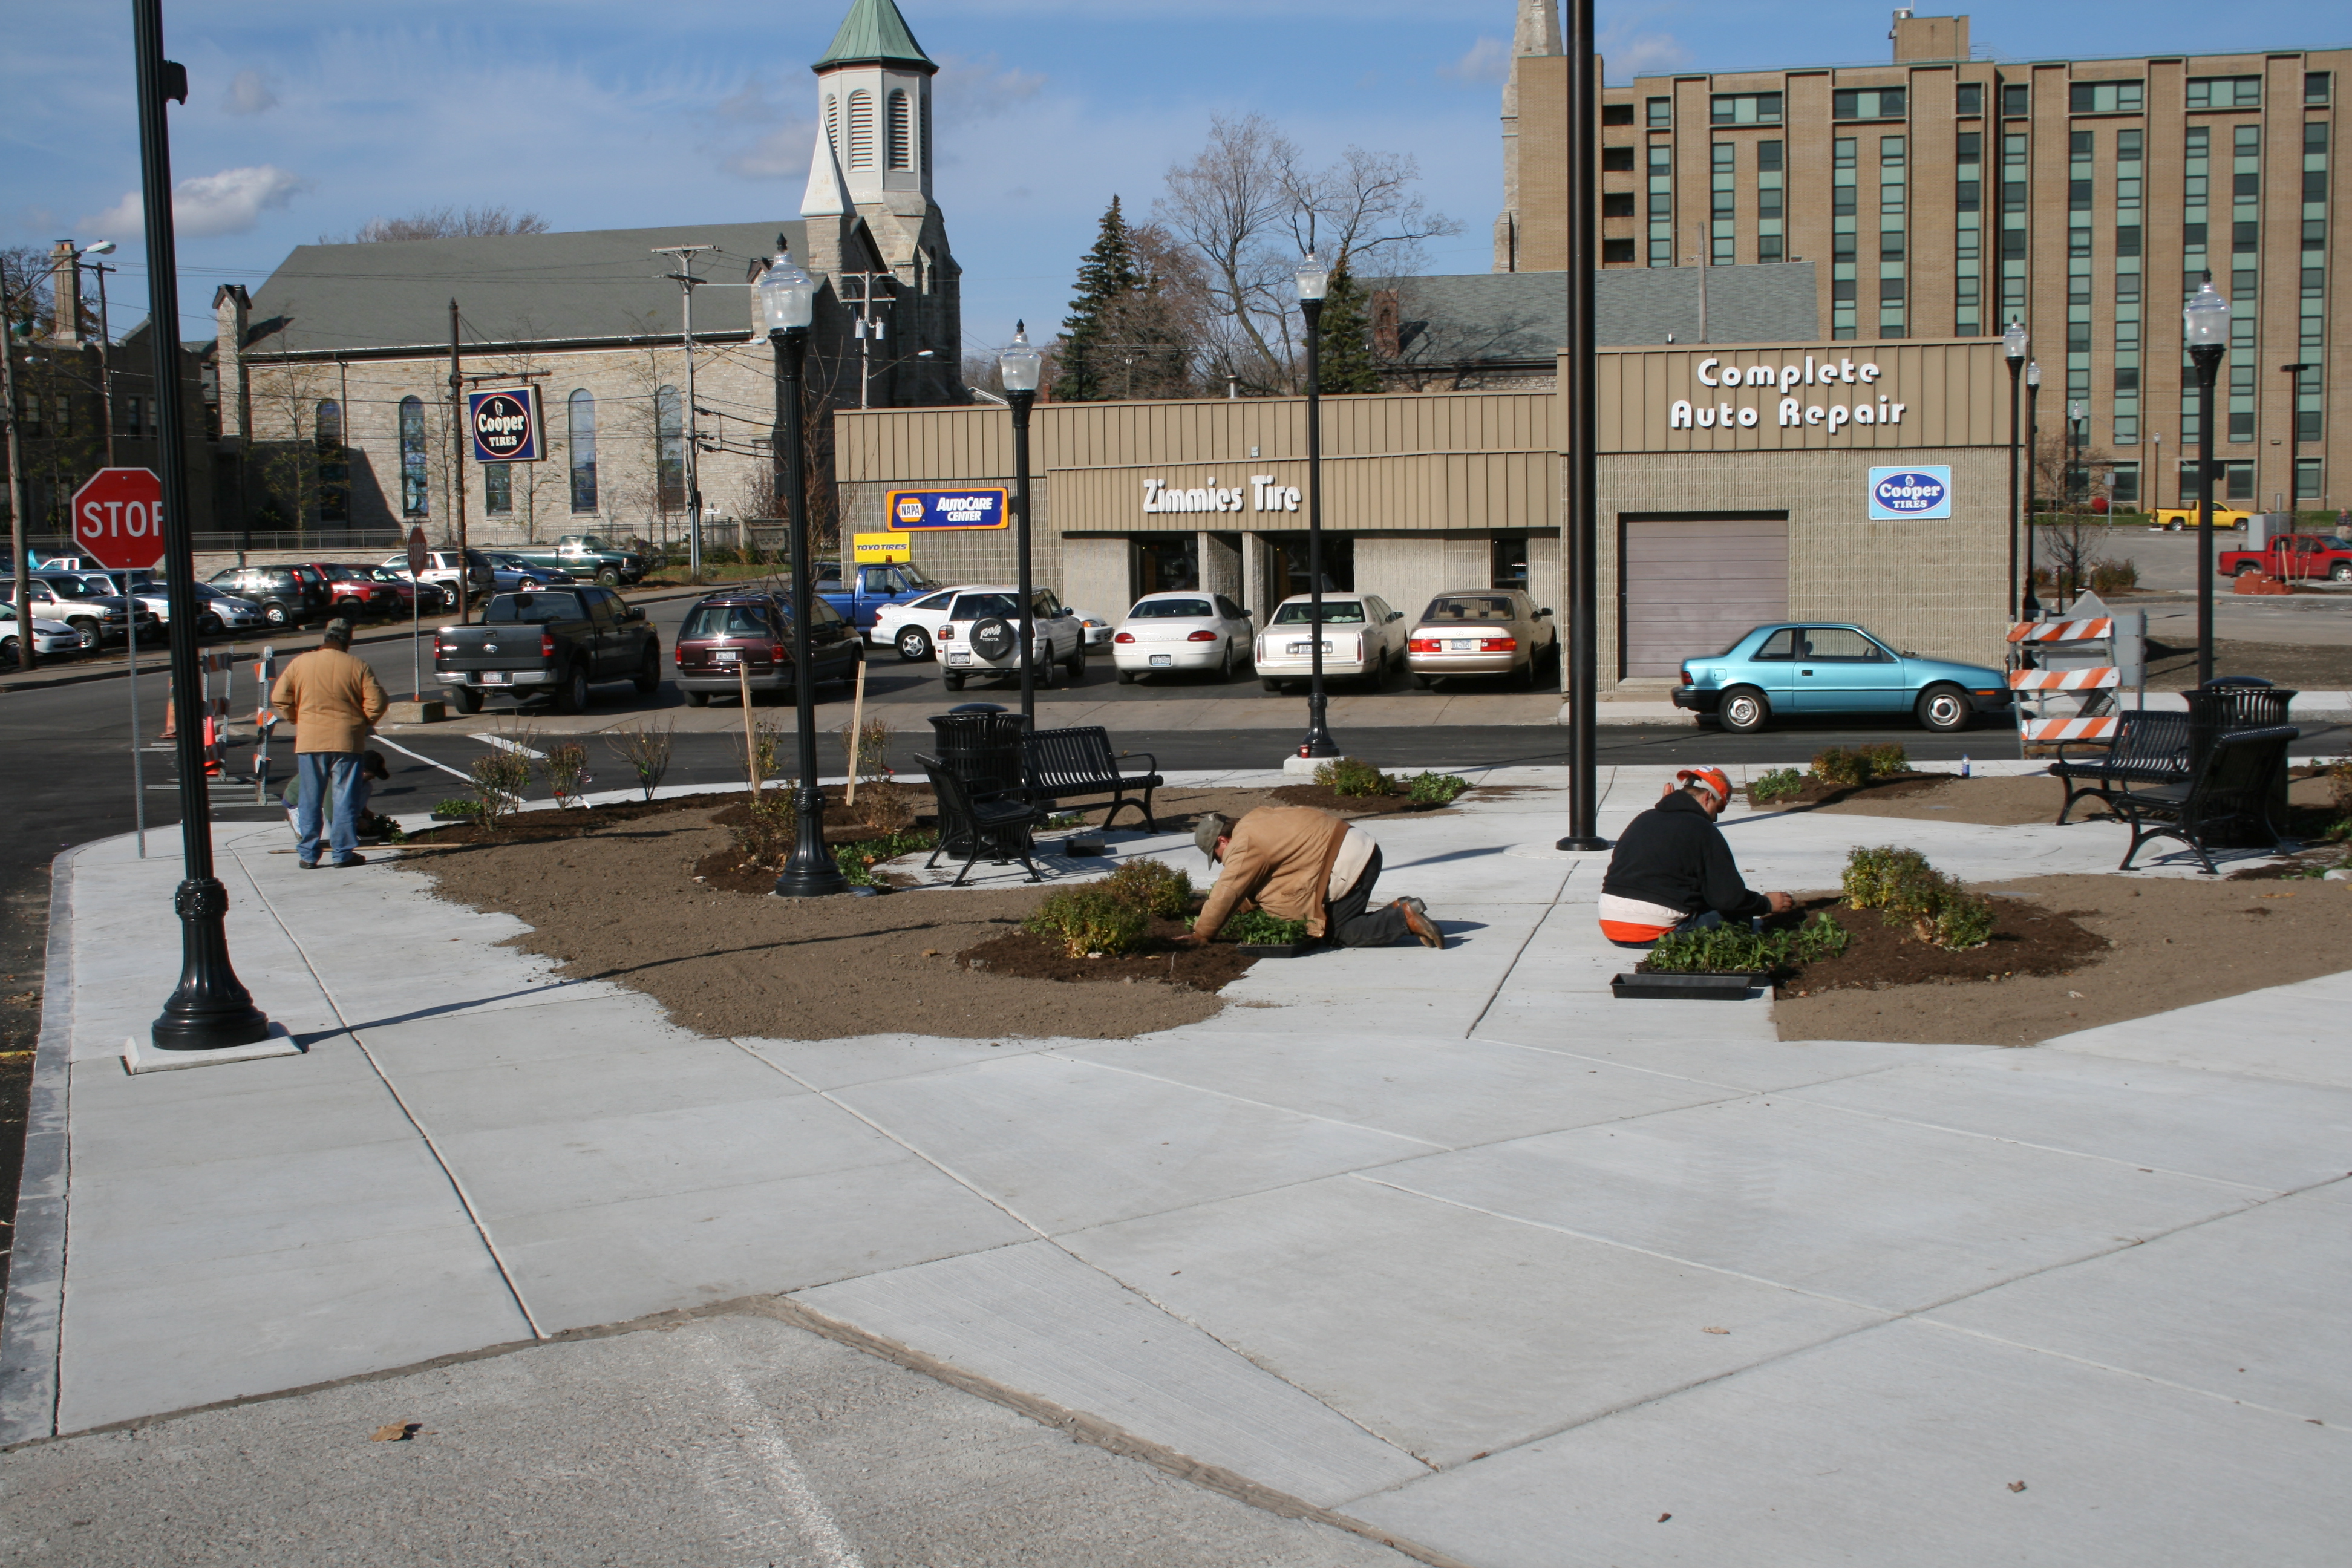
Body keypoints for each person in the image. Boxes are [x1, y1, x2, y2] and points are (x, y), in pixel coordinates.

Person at [1179, 806, 1443, 950]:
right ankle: (1398, 909)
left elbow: (1229, 888)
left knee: (1337, 934)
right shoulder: (1256, 819)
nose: (1222, 862)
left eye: (1217, 855)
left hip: (1348, 864)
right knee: (1339, 918)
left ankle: (1404, 919)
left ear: (1223, 840)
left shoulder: (1243, 846)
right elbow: (1257, 883)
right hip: (1363, 848)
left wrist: (1202, 933)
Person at [1598, 766, 1794, 946]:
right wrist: (1766, 904)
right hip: (1655, 933)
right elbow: (1728, 899)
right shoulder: (1702, 829)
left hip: (1611, 926)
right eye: (1717, 810)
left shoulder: (1644, 819)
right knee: (1739, 919)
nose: (1714, 819)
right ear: (1707, 798)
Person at [270, 618, 390, 868]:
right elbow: (377, 702)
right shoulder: (358, 666)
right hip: (347, 740)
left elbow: (280, 697)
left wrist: (295, 717)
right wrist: (362, 723)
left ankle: (309, 854)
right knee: (345, 798)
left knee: (310, 798)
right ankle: (343, 853)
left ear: (325, 638)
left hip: (311, 740)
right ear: (349, 641)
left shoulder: (300, 663)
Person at [284, 749, 392, 840]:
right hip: (301, 804)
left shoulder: (352, 774)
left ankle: (349, 827)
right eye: (371, 775)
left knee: (366, 786)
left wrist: (364, 810)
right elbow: (330, 812)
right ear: (362, 770)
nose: (373, 778)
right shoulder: (335, 777)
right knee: (326, 840)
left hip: (323, 803)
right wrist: (356, 822)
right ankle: (299, 825)